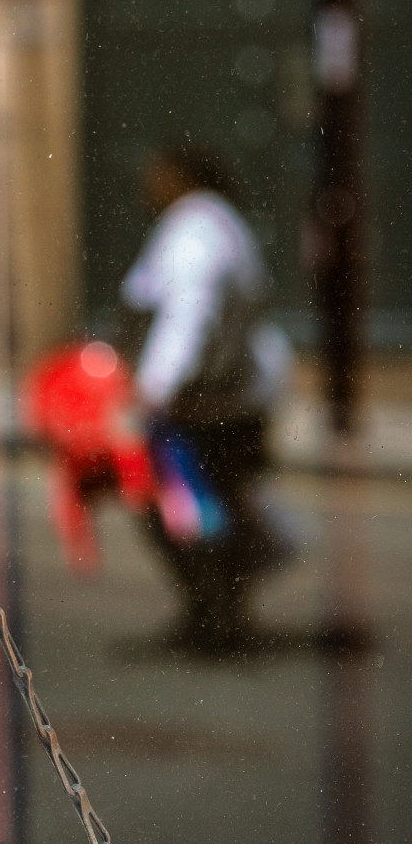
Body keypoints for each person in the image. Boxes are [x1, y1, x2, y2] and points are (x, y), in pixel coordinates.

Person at [120, 144, 292, 651]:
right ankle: (218, 617)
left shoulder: (195, 233)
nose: (146, 186)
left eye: (156, 174)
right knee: (214, 506)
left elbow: (185, 320)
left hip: (208, 404)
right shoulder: (215, 224)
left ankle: (215, 620)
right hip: (229, 397)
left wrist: (151, 393)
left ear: (181, 177)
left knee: (184, 507)